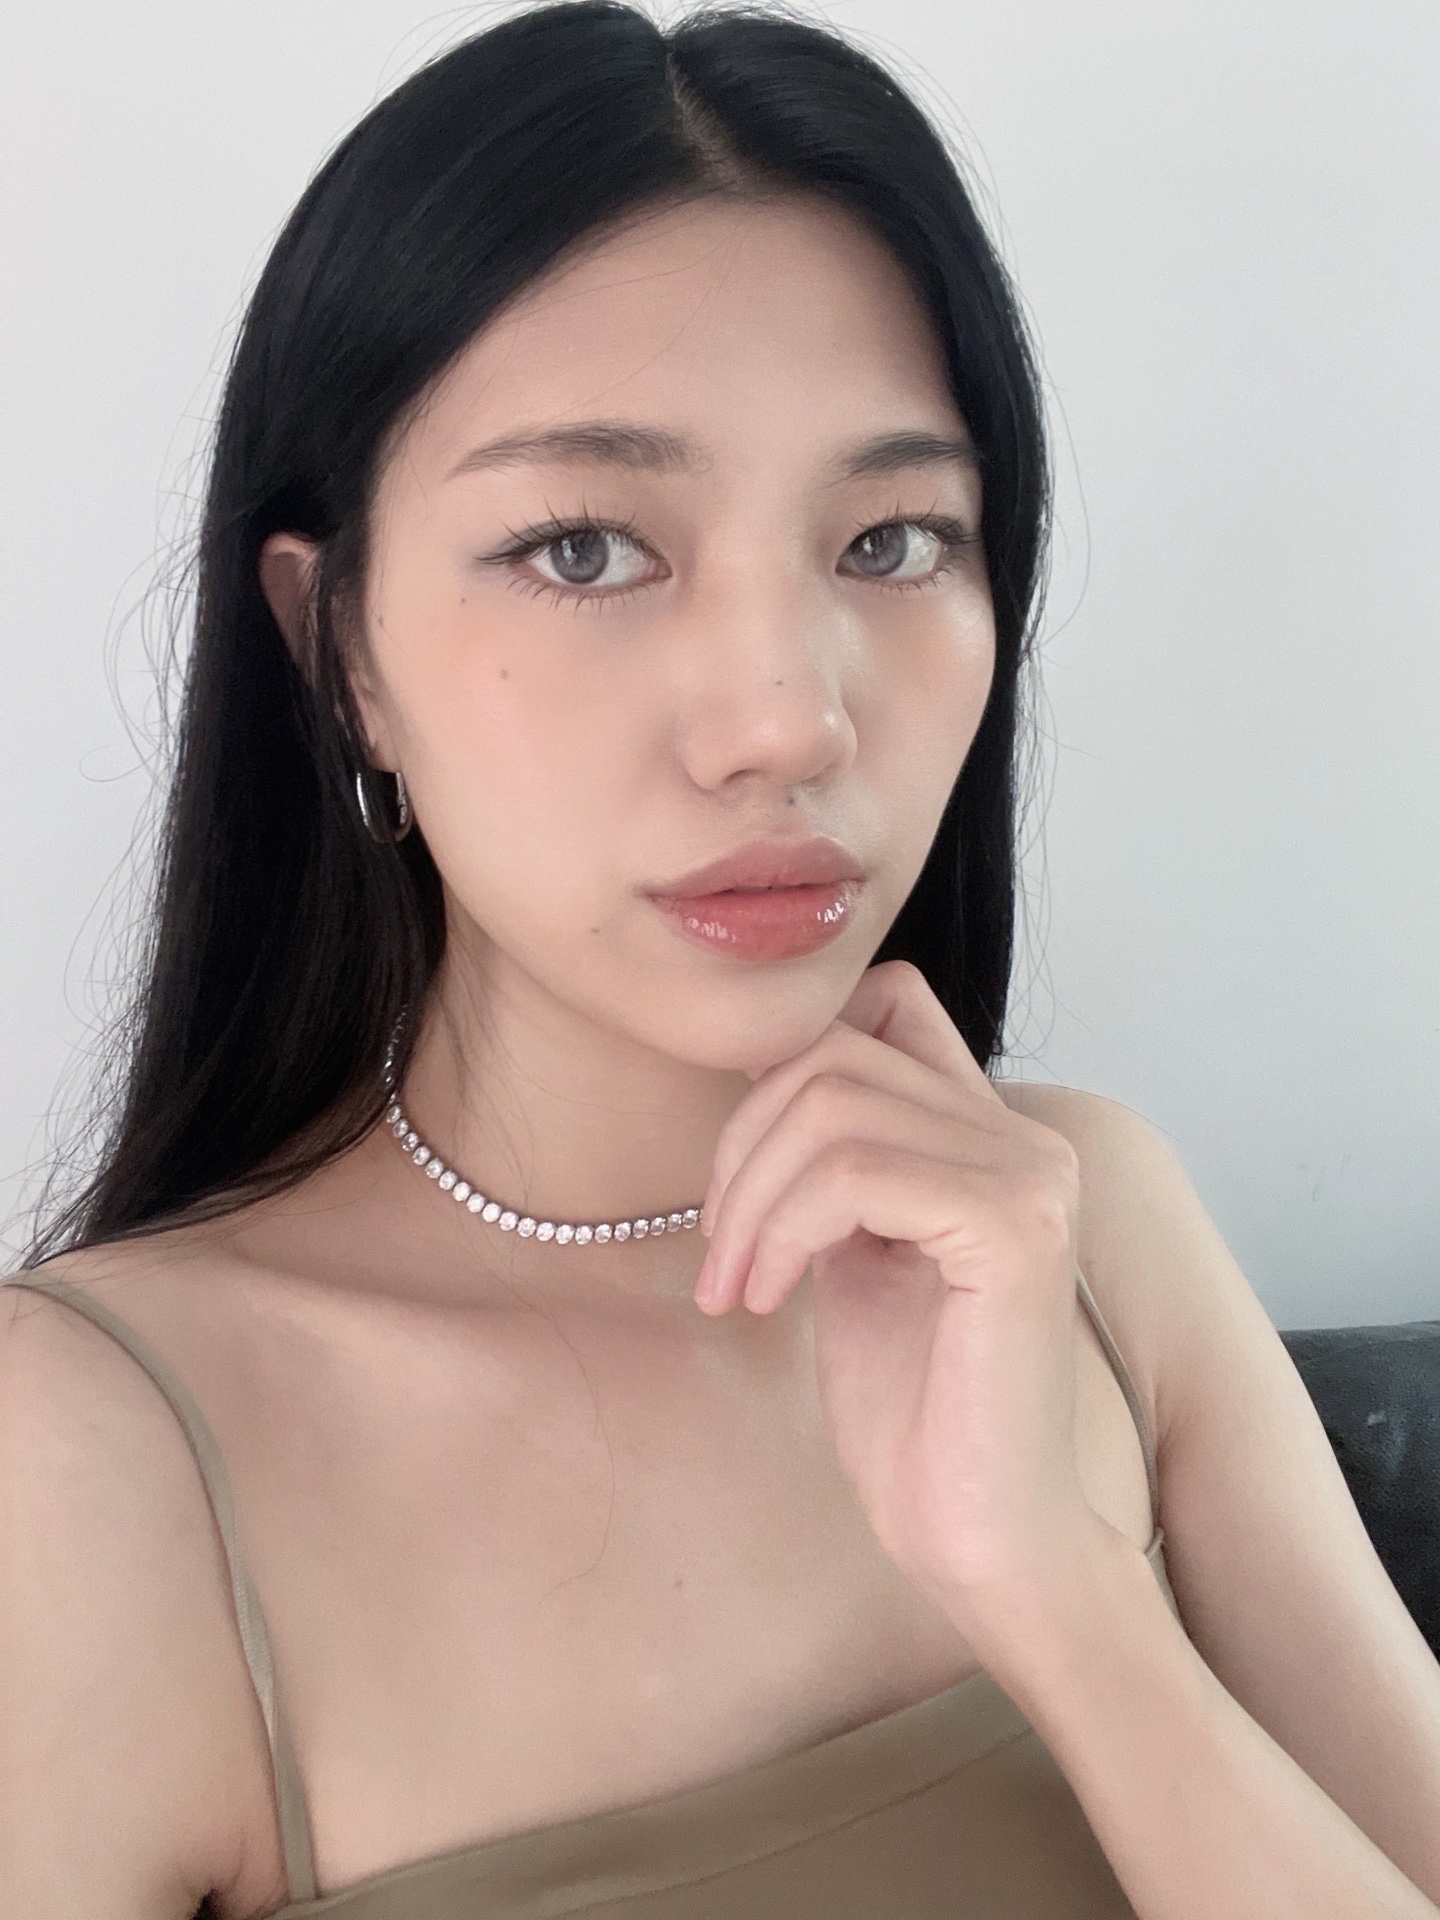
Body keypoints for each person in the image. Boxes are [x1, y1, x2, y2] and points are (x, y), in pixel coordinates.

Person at [4, 4, 1439, 1916]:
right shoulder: (88, 1467)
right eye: (587, 549)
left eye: (892, 540)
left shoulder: (1092, 1234)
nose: (786, 721)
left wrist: (1065, 1600)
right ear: (337, 647)